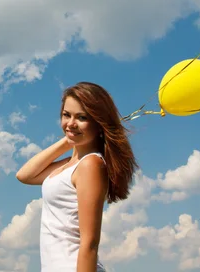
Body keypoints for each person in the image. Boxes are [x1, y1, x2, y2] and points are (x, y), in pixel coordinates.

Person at [16, 82, 138, 272]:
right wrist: (69, 139)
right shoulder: (69, 165)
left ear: (99, 123)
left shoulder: (90, 165)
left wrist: (72, 135)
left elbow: (89, 242)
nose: (71, 123)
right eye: (66, 115)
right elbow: (24, 175)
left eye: (82, 117)